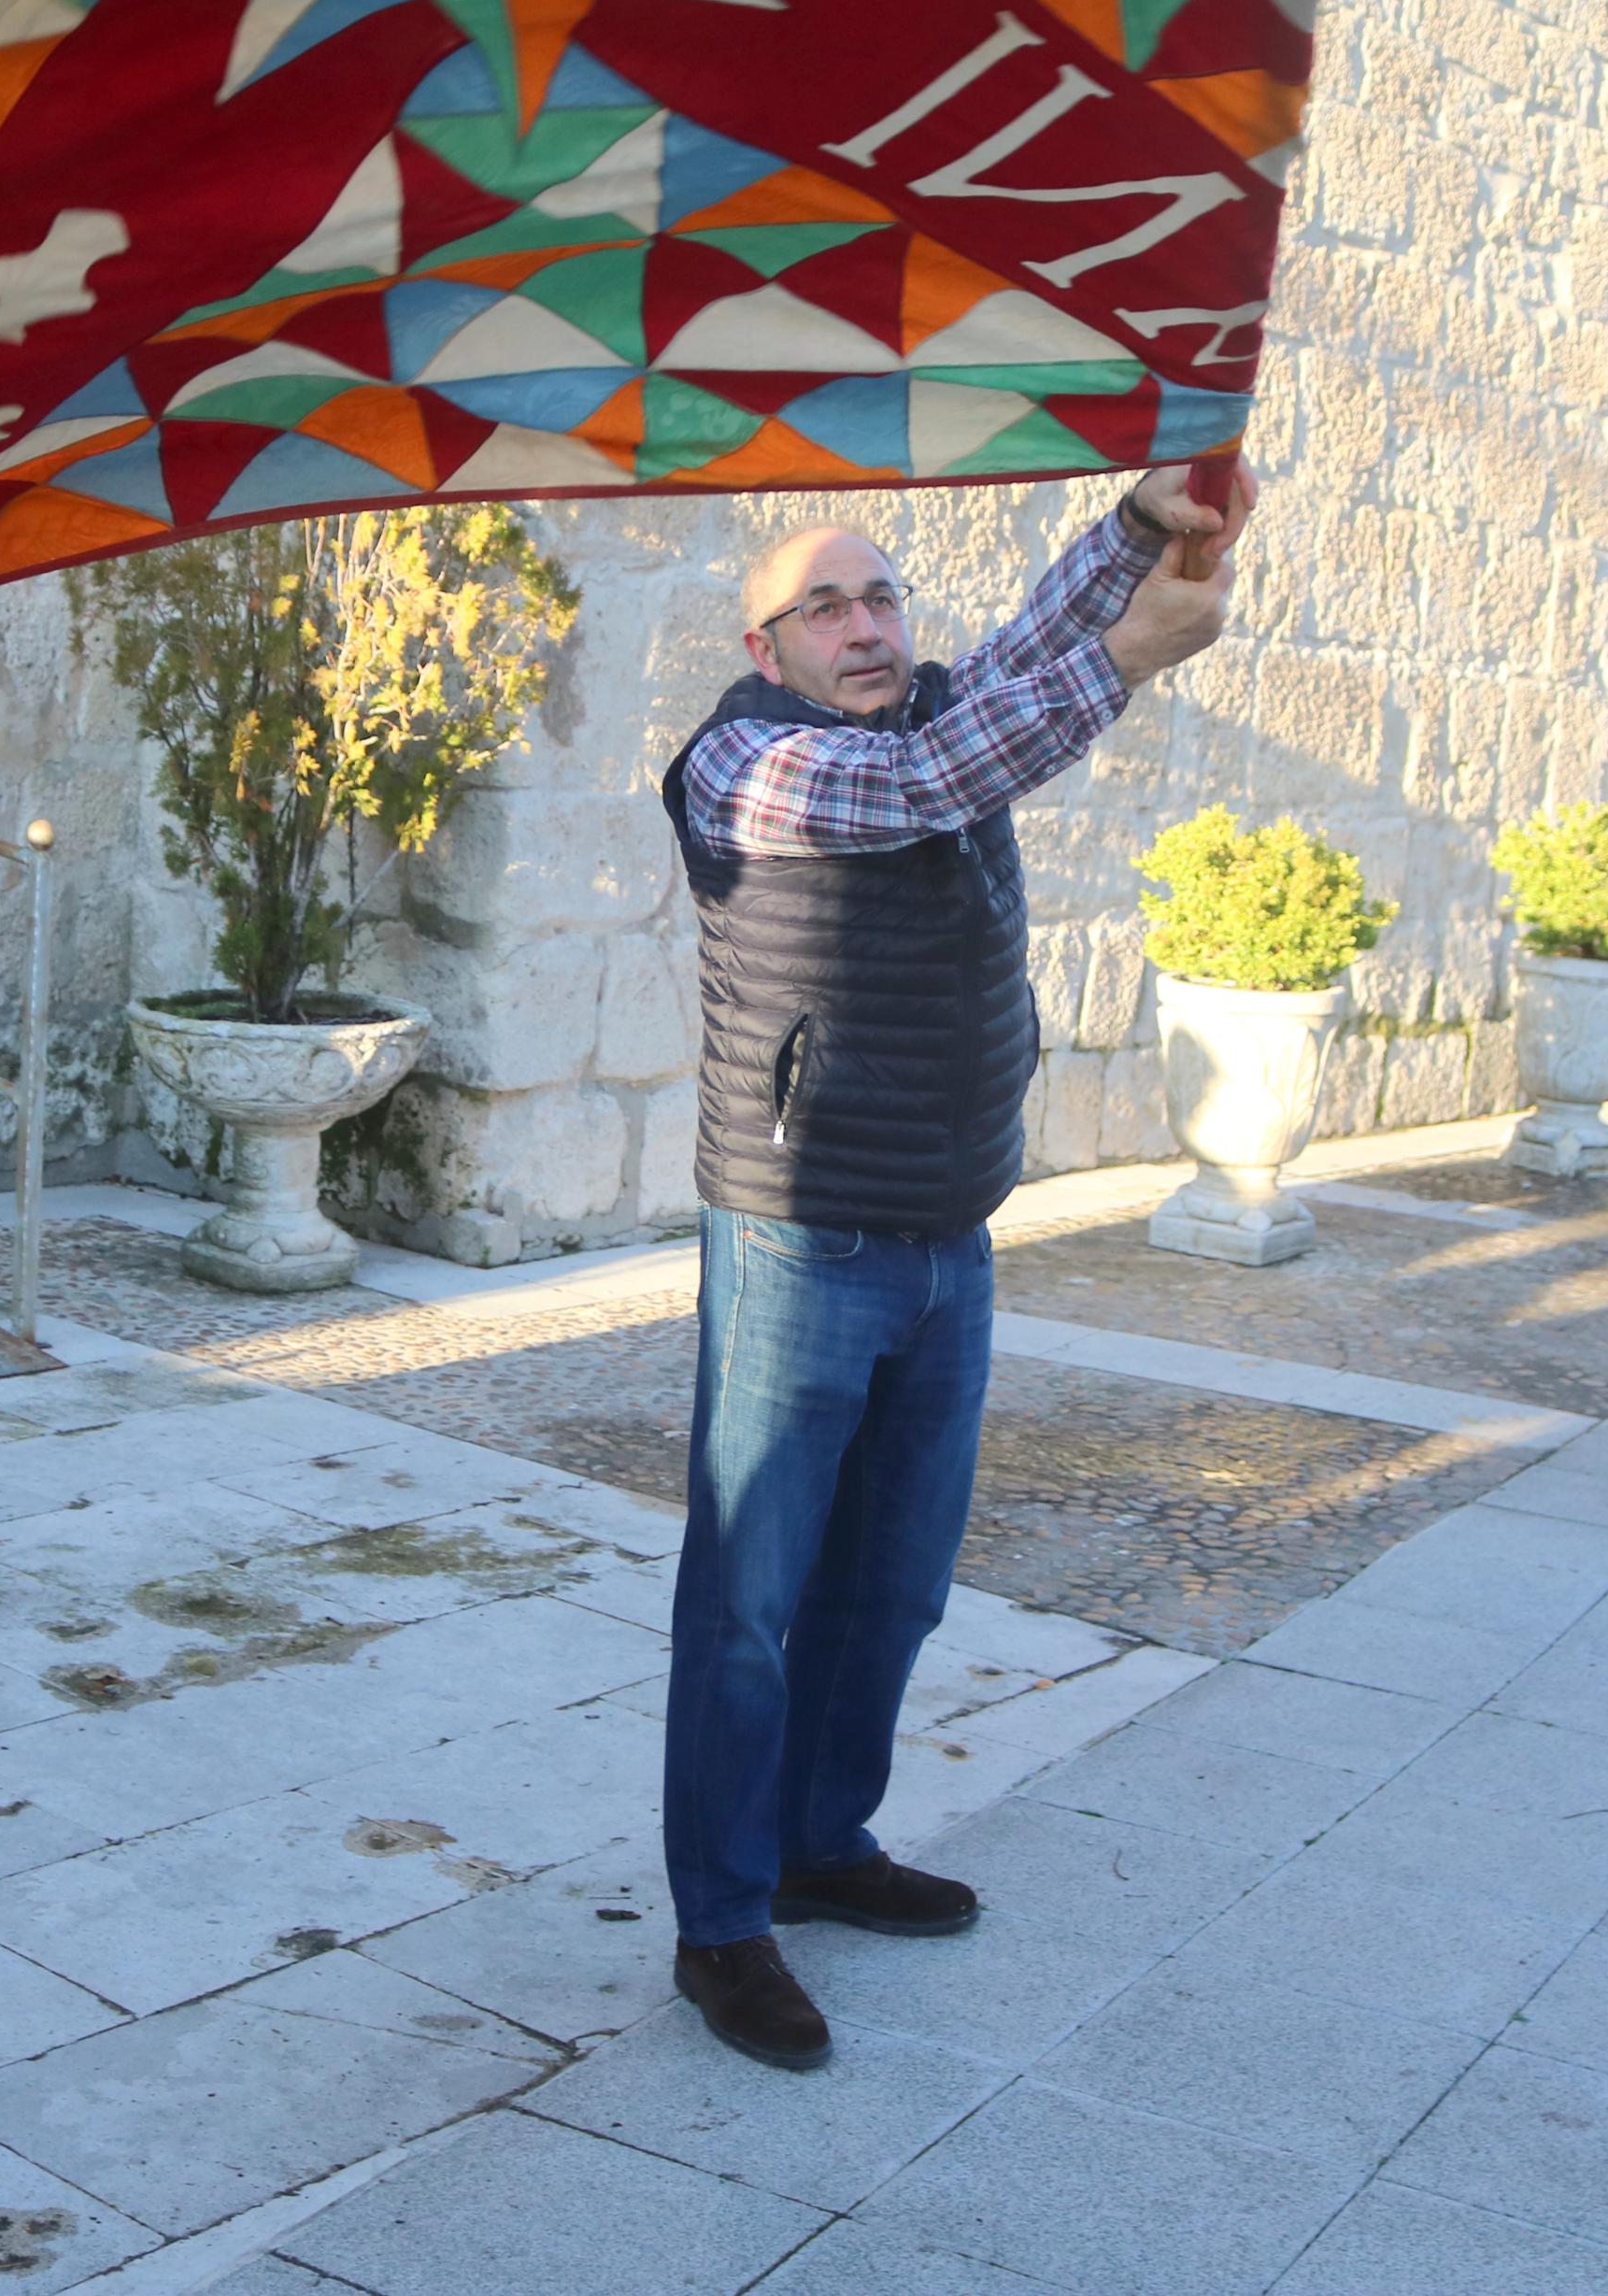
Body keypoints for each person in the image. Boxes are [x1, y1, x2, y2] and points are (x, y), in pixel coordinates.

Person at [653, 463, 1242, 2070]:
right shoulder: (748, 762)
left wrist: (1142, 525)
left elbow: (1020, 657)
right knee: (753, 1605)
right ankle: (721, 1927)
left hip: (943, 1232)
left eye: (881, 595)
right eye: (822, 605)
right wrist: (1130, 660)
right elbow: (935, 773)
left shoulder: (919, 705)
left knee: (892, 1587)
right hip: (800, 1236)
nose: (863, 624)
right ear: (763, 647)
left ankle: (820, 1842)